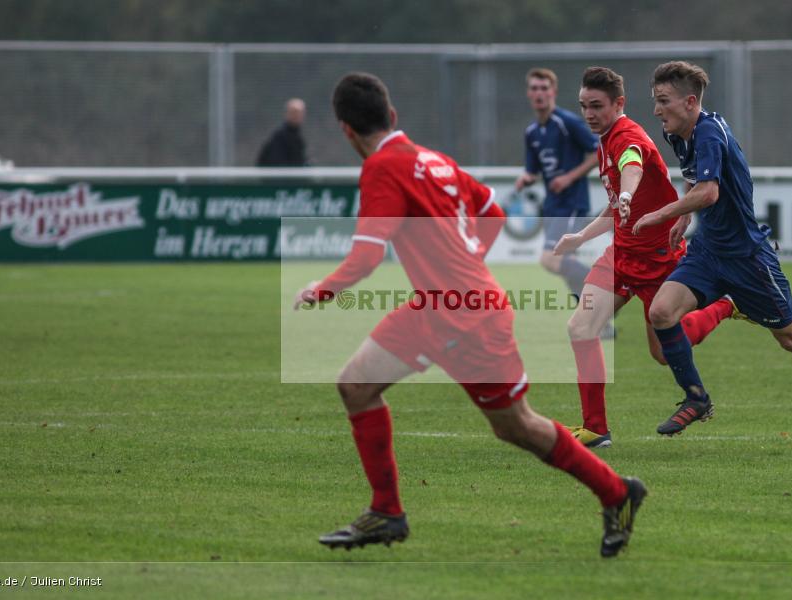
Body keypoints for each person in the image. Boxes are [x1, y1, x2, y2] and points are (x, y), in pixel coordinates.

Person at [294, 72, 646, 557]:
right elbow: (493, 213)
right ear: (392, 116)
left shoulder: (381, 167)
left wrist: (321, 290)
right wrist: (462, 267)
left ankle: (617, 492)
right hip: (437, 307)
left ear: (345, 131)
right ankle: (387, 512)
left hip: (465, 315)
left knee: (515, 426)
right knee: (355, 385)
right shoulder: (431, 159)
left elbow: (367, 258)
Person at [635, 61, 792, 451]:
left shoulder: (709, 132)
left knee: (791, 337)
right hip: (708, 251)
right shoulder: (678, 131)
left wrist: (661, 214)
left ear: (690, 101)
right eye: (655, 101)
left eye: (663, 101)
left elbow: (709, 192)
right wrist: (685, 213)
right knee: (660, 313)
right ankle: (697, 397)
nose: (657, 110)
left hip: (748, 259)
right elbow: (694, 179)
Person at [553, 66, 736, 449]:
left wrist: (627, 194)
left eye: (597, 106)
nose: (589, 114)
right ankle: (596, 428)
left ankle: (725, 304)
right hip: (621, 254)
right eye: (584, 106)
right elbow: (615, 203)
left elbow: (631, 166)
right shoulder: (603, 140)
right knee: (581, 329)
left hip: (658, 257)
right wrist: (581, 236)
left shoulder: (627, 136)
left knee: (662, 353)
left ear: (619, 103)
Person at [514, 68, 600, 299]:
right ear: (528, 93)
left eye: (544, 88)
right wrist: (527, 178)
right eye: (534, 88)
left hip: (572, 203)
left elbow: (598, 152)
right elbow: (533, 170)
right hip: (553, 206)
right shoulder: (531, 132)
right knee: (566, 265)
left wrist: (569, 177)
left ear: (554, 92)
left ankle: (606, 288)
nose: (539, 93)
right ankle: (594, 317)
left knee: (551, 260)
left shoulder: (567, 122)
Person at [257, 98, 308, 166]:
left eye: (300, 113)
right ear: (287, 113)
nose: (297, 116)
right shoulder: (280, 136)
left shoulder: (298, 136)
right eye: (294, 112)